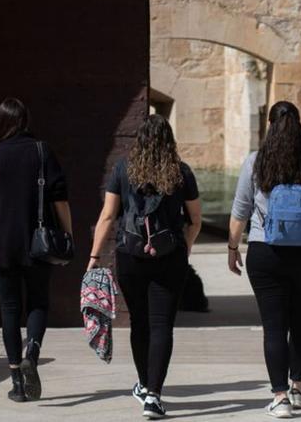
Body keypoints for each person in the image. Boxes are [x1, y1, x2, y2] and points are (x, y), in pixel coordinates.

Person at [227, 101, 301, 419]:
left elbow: (241, 209)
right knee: (300, 321)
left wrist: (232, 247)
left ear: (270, 126)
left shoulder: (256, 162)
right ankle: (298, 388)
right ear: (299, 126)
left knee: (273, 326)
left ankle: (279, 397)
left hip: (265, 252)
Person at [87, 114, 202, 420]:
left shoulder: (123, 169)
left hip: (131, 257)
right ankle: (153, 394)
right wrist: (184, 247)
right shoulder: (181, 171)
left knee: (140, 323)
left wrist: (93, 257)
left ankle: (143, 383)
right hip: (170, 258)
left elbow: (108, 216)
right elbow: (196, 218)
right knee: (162, 325)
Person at [0, 98, 72, 403]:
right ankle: (34, 352)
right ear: (25, 120)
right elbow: (60, 199)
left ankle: (17, 381)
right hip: (37, 243)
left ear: (0, 123)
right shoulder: (42, 152)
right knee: (39, 302)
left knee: (9, 310)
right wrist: (68, 233)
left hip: (1, 244)